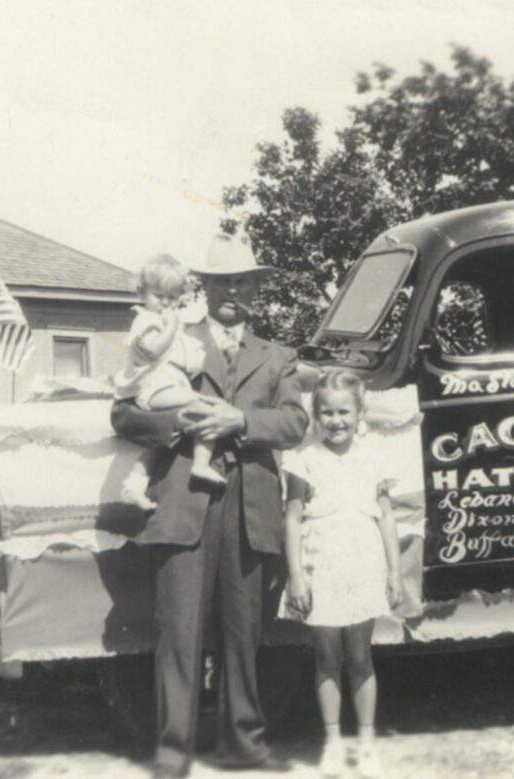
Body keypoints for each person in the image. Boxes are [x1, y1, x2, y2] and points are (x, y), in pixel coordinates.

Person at [111, 231, 309, 778]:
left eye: (244, 282)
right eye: (224, 281)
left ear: (255, 290)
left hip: (250, 512)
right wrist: (183, 421)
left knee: (244, 636)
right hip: (185, 504)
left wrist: (241, 421)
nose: (234, 291)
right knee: (178, 635)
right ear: (207, 285)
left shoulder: (278, 356)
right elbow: (124, 415)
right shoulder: (172, 338)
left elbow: (296, 422)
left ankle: (245, 744)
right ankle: (174, 752)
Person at [278, 370, 402, 779]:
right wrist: (297, 575)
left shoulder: (374, 458)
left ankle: (366, 745)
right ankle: (332, 742)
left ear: (360, 412)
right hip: (322, 565)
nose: (337, 421)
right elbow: (293, 520)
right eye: (327, 413)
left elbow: (386, 518)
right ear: (316, 415)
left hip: (363, 564)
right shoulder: (304, 460)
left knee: (361, 656)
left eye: (344, 412)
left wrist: (395, 573)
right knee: (327, 658)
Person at [114, 254, 225, 511]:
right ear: (143, 294)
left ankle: (134, 485)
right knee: (208, 404)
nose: (165, 303)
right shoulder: (145, 320)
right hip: (152, 387)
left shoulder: (168, 322)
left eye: (172, 298)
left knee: (162, 442)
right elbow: (152, 352)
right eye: (158, 295)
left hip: (167, 384)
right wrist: (171, 327)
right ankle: (200, 464)